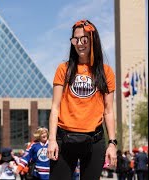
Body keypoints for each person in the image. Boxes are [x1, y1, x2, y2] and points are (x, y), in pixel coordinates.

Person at [47, 19, 117, 180]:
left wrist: (112, 143)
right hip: (64, 140)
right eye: (75, 39)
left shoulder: (106, 72)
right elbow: (55, 107)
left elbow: (108, 111)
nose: (79, 43)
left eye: (84, 39)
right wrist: (52, 140)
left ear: (93, 40)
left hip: (94, 140)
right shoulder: (63, 69)